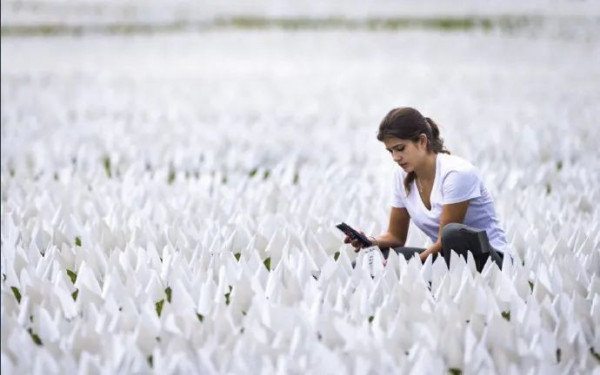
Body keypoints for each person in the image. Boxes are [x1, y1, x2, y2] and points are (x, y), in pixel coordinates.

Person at [344, 107, 511, 272]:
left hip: (490, 261)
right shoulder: (401, 176)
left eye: (400, 148)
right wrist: (369, 241)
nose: (395, 157)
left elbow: (444, 242)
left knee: (453, 234)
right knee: (374, 259)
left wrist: (405, 267)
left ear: (422, 141)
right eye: (391, 151)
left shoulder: (457, 174)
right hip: (446, 259)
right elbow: (395, 236)